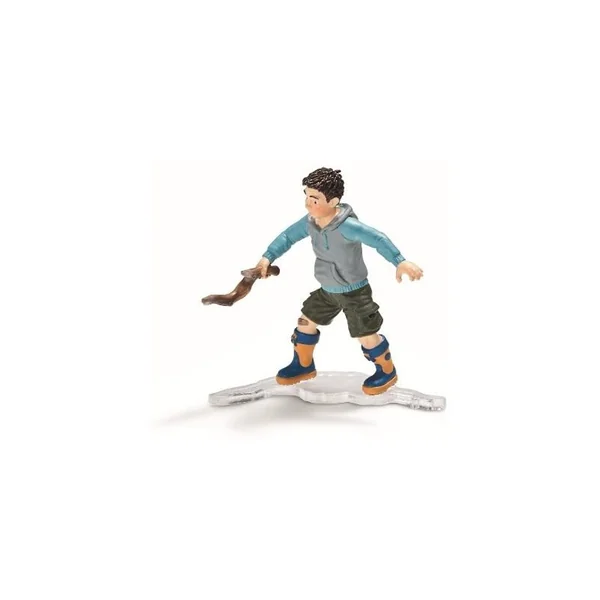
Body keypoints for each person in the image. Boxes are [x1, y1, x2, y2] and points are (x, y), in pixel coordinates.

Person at [256, 167, 423, 395]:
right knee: (305, 323)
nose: (308, 203)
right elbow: (287, 236)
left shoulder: (348, 226)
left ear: (333, 201)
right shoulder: (310, 222)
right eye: (306, 196)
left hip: (355, 293)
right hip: (327, 291)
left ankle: (387, 371)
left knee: (366, 336)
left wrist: (399, 261)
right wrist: (268, 257)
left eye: (315, 199)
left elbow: (378, 239)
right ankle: (303, 365)